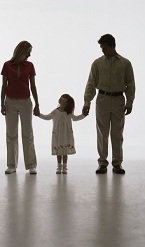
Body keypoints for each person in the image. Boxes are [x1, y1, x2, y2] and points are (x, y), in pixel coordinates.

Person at [82, 34, 135, 174]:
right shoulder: (97, 63)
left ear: (113, 46)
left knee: (117, 133)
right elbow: (91, 83)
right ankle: (102, 163)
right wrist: (87, 102)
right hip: (102, 99)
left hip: (118, 100)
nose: (102, 50)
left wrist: (130, 102)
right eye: (101, 47)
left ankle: (117, 163)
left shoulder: (125, 63)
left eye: (104, 48)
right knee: (102, 132)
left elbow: (130, 84)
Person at [1, 40, 40, 174]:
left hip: (25, 102)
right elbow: (4, 86)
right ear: (21, 51)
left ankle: (31, 165)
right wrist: (2, 103)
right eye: (28, 51)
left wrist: (37, 104)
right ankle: (12, 165)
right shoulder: (7, 65)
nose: (29, 54)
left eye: (30, 52)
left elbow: (33, 86)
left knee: (27, 134)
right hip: (10, 101)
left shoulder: (30, 66)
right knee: (11, 134)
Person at [35, 94, 86, 174]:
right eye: (61, 96)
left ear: (67, 102)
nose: (61, 97)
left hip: (66, 135)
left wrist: (84, 115)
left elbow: (76, 118)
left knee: (65, 151)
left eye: (64, 97)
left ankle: (64, 167)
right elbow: (47, 117)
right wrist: (39, 114)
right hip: (57, 135)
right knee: (58, 151)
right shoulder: (55, 111)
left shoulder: (69, 112)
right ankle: (59, 166)